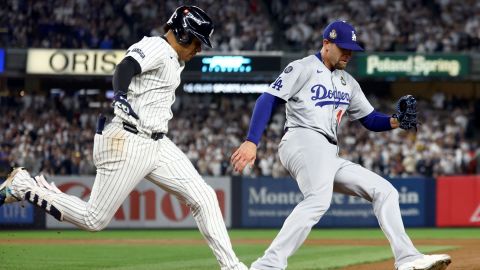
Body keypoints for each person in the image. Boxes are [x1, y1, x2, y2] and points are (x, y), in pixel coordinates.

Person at [0, 6, 247, 270]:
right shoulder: (157, 47)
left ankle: (232, 267)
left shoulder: (175, 59)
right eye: (197, 40)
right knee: (93, 219)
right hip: (128, 140)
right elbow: (126, 66)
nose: (199, 49)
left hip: (158, 144)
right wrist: (119, 96)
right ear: (183, 34)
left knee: (205, 197)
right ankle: (24, 185)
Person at [231, 20, 451, 270]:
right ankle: (268, 266)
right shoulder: (303, 67)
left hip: (328, 152)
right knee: (318, 200)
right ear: (326, 44)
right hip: (302, 139)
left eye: (351, 50)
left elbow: (369, 119)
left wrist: (395, 121)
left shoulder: (349, 83)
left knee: (385, 190)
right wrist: (251, 141)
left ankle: (407, 258)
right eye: (343, 48)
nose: (348, 54)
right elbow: (267, 99)